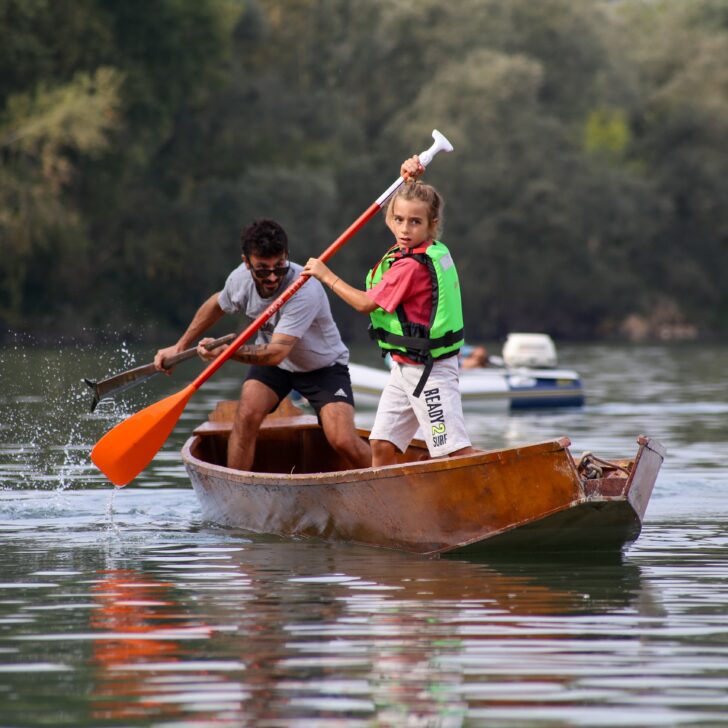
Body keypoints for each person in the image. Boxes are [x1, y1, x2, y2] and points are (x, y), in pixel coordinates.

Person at [154, 218, 371, 471]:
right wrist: (180, 346)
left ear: (286, 256)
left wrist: (226, 352)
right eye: (262, 269)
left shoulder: (305, 288)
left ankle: (389, 488)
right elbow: (216, 304)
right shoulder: (240, 279)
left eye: (279, 267)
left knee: (342, 439)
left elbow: (276, 353)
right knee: (246, 416)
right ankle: (238, 494)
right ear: (246, 263)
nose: (271, 277)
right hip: (277, 369)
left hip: (323, 368)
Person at [303, 157, 477, 467]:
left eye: (415, 222)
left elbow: (364, 304)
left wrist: (325, 275)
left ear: (431, 224)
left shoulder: (409, 267)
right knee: (381, 445)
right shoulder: (415, 248)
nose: (404, 229)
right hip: (404, 367)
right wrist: (403, 181)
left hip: (430, 372)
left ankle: (527, 484)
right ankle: (385, 513)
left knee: (454, 453)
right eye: (399, 220)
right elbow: (393, 211)